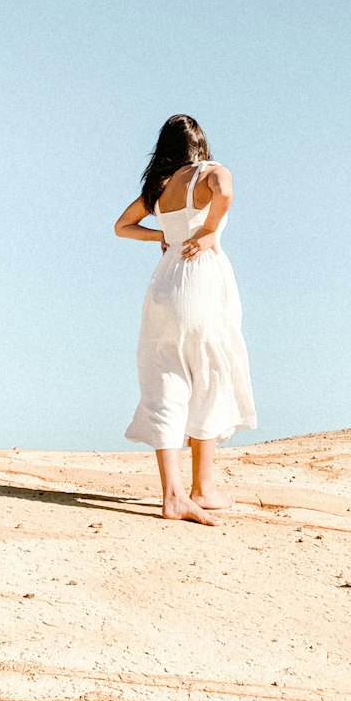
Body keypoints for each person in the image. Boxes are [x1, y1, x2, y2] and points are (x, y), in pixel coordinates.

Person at [114, 114, 257, 525]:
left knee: (166, 380)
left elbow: (122, 227)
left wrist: (163, 237)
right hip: (202, 282)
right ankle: (203, 489)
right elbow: (224, 189)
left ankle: (172, 495)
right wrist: (210, 229)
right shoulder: (210, 170)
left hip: (164, 286)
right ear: (200, 144)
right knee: (210, 375)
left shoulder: (158, 188)